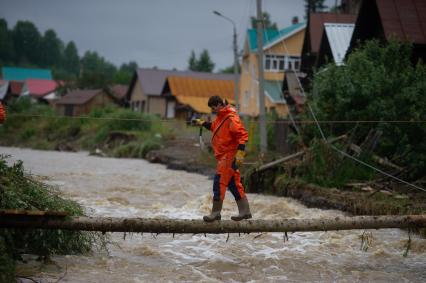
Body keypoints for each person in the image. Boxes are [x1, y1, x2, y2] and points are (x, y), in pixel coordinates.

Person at [194, 96, 252, 222]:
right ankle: (245, 211)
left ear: (220, 104)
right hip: (224, 157)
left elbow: (242, 134)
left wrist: (240, 153)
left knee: (219, 182)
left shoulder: (230, 117)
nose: (213, 110)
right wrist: (202, 123)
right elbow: (214, 127)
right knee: (234, 184)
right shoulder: (221, 117)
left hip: (229, 156)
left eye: (214, 108)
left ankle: (216, 213)